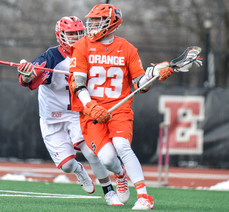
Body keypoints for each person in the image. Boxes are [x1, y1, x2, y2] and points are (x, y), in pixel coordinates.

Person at [68, 4, 174, 210]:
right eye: (92, 21)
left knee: (122, 145)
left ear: (112, 23)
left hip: (120, 108)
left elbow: (139, 85)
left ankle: (144, 196)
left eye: (98, 21)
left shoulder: (127, 48)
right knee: (107, 159)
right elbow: (77, 83)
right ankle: (120, 173)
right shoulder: (82, 46)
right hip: (92, 111)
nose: (93, 26)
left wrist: (153, 76)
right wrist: (90, 105)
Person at [17, 16, 126, 206]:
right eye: (70, 33)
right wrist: (26, 75)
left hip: (78, 114)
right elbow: (29, 81)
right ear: (60, 35)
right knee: (67, 166)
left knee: (93, 153)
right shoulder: (51, 57)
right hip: (52, 118)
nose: (75, 37)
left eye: (78, 33)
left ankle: (108, 190)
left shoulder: (89, 52)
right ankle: (78, 171)